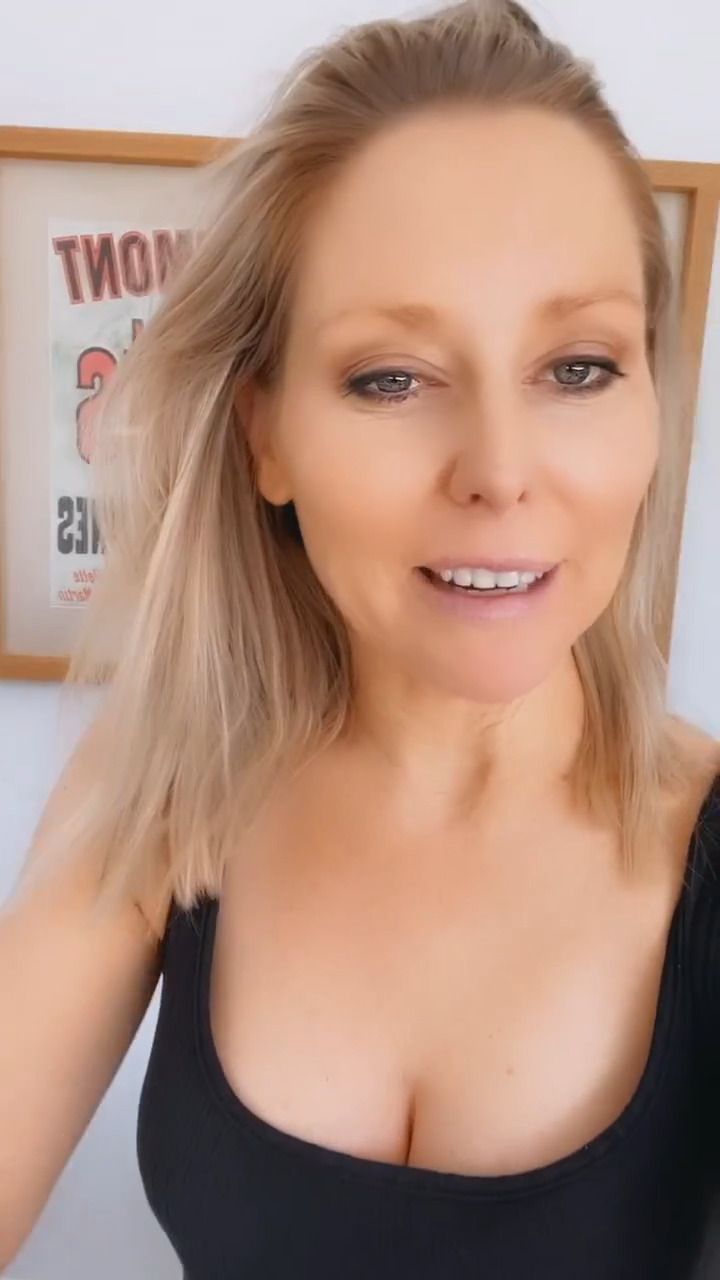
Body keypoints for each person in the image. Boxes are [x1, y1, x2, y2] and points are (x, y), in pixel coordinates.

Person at [2, 0, 720, 1275]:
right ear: (265, 435)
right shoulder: (161, 788)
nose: (501, 471)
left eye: (578, 367)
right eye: (392, 376)